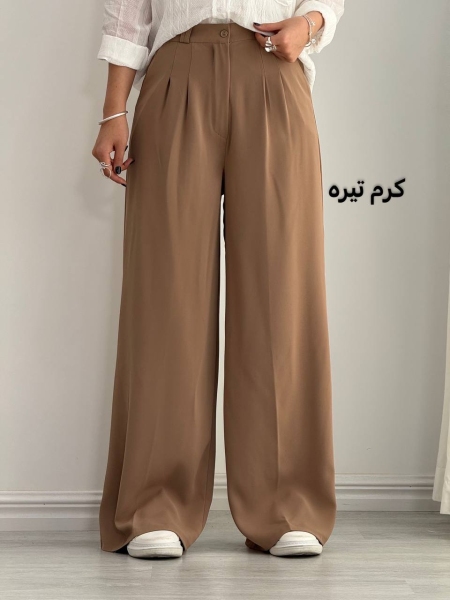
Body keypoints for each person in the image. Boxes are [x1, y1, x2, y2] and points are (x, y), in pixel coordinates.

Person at [92, 0, 345, 560]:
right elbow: (129, 11)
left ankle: (287, 504)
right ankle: (156, 503)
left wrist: (309, 25)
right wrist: (113, 110)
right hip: (176, 74)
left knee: (283, 291)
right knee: (167, 295)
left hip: (275, 74)